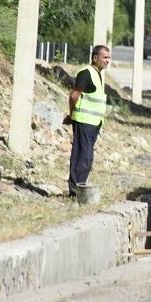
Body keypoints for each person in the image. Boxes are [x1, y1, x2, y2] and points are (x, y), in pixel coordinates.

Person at [63, 45, 111, 197]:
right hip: (84, 122)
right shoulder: (86, 73)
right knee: (83, 157)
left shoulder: (97, 74)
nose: (108, 61)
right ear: (95, 58)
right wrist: (72, 115)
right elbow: (74, 96)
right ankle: (75, 191)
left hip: (94, 123)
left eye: (109, 58)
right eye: (105, 58)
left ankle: (79, 189)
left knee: (87, 158)